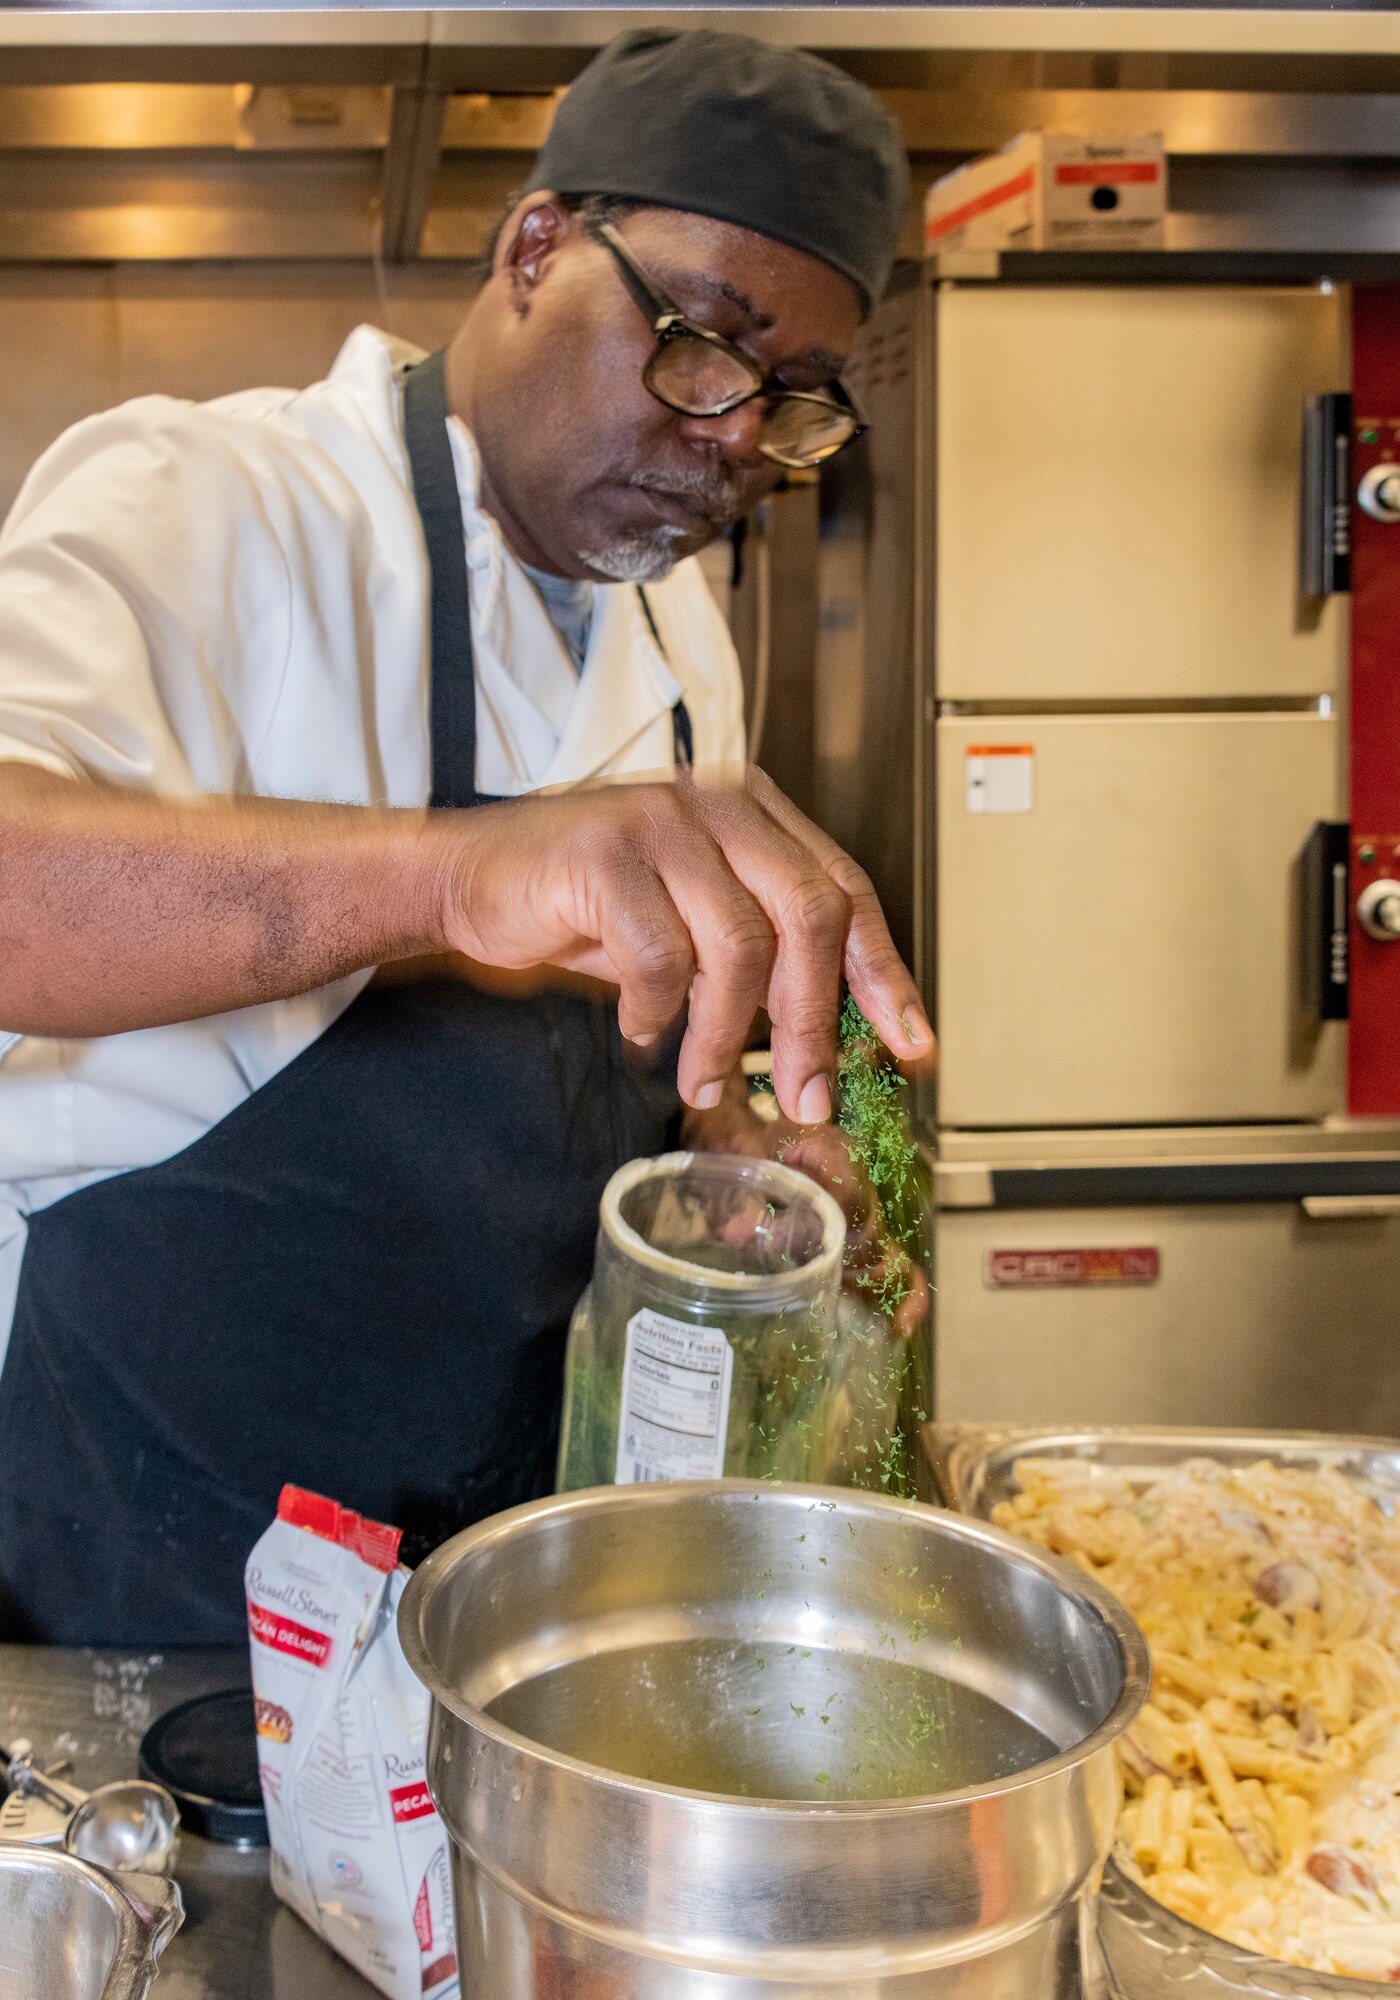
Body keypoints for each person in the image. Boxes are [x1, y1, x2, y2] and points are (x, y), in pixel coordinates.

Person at [0, 27, 930, 1645]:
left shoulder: (677, 632)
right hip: (151, 1533)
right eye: (702, 345)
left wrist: (732, 1159)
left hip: (498, 1548)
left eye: (790, 402)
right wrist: (457, 870)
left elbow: (636, 1026)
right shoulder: (214, 501)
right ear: (538, 246)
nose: (730, 439)